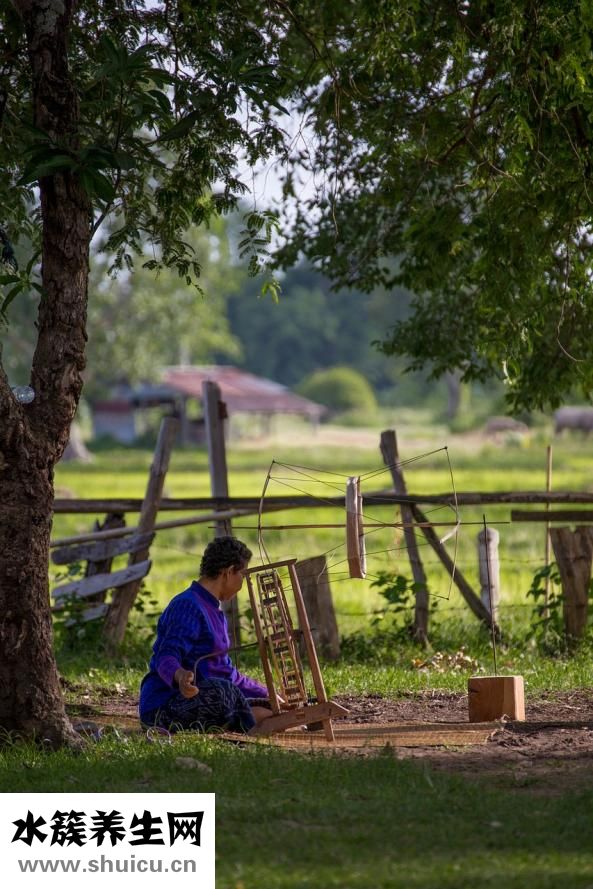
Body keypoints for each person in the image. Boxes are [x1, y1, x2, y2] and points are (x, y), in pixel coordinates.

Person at [139, 536, 272, 733]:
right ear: (227, 572)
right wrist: (180, 676)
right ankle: (246, 721)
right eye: (242, 574)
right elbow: (165, 656)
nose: (243, 582)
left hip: (204, 698)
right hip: (163, 707)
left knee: (266, 706)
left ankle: (253, 718)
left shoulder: (215, 611)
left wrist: (269, 695)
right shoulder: (188, 606)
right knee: (223, 692)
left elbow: (227, 673)